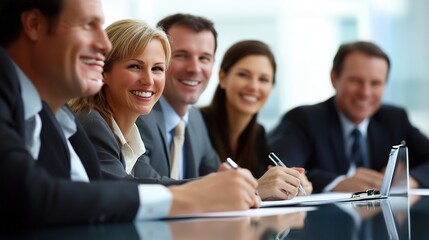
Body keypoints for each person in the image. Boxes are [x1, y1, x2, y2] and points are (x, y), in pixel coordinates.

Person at [0, 0, 259, 228]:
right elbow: (35, 195)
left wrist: (227, 189)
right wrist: (193, 196)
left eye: (158, 68)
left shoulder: (59, 120)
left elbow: (101, 191)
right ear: (34, 24)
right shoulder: (89, 123)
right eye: (88, 24)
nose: (103, 44)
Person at [268, 41, 429, 193]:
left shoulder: (394, 119)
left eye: (375, 83)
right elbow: (280, 171)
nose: (365, 93)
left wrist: (409, 180)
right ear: (334, 78)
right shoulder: (304, 119)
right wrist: (338, 183)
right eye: (356, 81)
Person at [70, 19, 180, 184]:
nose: (148, 80)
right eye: (135, 66)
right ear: (103, 72)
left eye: (157, 68)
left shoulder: (128, 132)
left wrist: (215, 184)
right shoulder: (92, 123)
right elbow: (124, 190)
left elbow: (157, 183)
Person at [200, 40, 312, 200]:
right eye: (243, 75)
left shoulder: (257, 133)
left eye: (264, 79)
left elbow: (265, 186)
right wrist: (258, 188)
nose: (254, 86)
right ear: (222, 77)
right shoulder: (197, 125)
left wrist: (290, 183)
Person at [136, 13, 220, 180]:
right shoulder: (138, 114)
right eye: (181, 55)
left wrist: (250, 185)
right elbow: (145, 183)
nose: (195, 68)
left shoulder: (195, 118)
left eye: (204, 58)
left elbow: (218, 176)